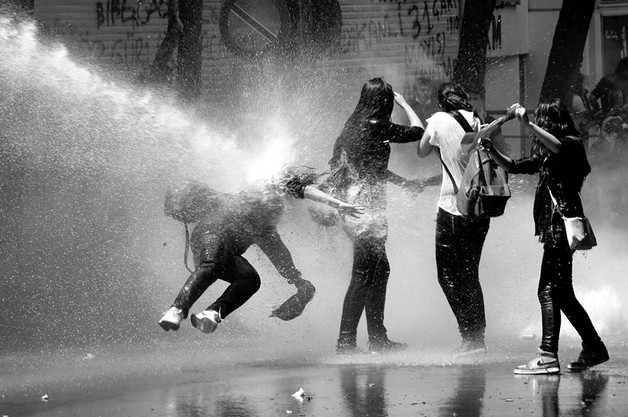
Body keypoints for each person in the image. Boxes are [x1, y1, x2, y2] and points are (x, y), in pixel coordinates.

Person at [482, 100, 609, 375]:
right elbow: (515, 166)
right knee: (562, 293)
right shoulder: (550, 154)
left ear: (550, 122)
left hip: (559, 226)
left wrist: (527, 124)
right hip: (554, 228)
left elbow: (558, 146)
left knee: (548, 291)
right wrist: (491, 150)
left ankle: (548, 356)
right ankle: (594, 347)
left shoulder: (571, 143)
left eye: (540, 122)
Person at [158, 168, 363, 334]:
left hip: (225, 253)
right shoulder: (265, 187)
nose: (282, 211)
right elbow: (304, 189)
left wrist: (299, 283)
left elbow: (280, 256)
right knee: (212, 264)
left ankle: (212, 313)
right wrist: (336, 203)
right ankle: (177, 309)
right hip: (210, 233)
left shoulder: (266, 230)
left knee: (250, 280)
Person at [326, 77, 424, 353]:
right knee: (364, 274)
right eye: (390, 100)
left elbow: (370, 170)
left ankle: (378, 337)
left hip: (354, 206)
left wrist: (403, 183)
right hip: (366, 210)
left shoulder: (350, 127)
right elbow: (418, 131)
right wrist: (404, 103)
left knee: (379, 270)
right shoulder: (376, 125)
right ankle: (346, 341)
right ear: (384, 101)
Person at [416, 82, 516, 354]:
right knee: (470, 274)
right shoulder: (477, 120)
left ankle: (468, 336)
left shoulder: (437, 120)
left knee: (447, 275)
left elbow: (422, 150)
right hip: (480, 207)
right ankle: (477, 338)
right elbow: (477, 154)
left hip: (452, 208)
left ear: (442, 102)